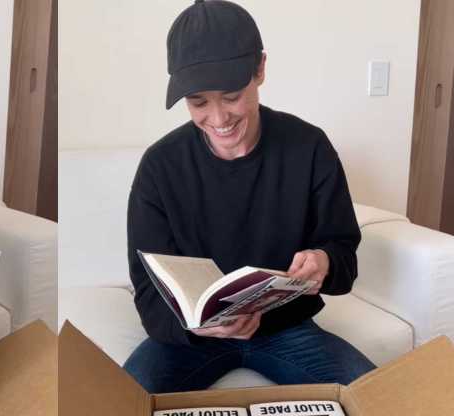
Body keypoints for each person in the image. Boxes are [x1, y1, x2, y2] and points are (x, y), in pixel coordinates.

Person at [123, 0, 376, 393]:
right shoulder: (160, 166)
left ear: (260, 69)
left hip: (287, 329)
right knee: (115, 398)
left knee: (379, 395)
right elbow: (148, 290)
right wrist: (201, 326)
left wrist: (324, 262)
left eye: (231, 95)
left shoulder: (309, 147)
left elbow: (344, 256)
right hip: (190, 341)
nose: (219, 119)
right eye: (198, 102)